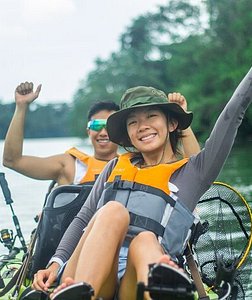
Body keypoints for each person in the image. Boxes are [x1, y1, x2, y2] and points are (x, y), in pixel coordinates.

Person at [32, 65, 252, 300]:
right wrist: (55, 264)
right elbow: (83, 219)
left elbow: (233, 113)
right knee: (113, 211)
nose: (143, 126)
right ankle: (81, 295)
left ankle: (162, 290)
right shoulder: (114, 168)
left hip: (137, 284)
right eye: (133, 122)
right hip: (92, 277)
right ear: (127, 134)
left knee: (145, 239)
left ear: (172, 124)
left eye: (151, 116)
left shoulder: (194, 173)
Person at [3, 82, 199, 186]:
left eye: (108, 125)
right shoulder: (70, 165)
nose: (103, 131)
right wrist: (21, 108)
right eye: (96, 125)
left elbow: (197, 168)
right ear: (88, 130)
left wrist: (181, 118)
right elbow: (12, 161)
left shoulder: (139, 164)